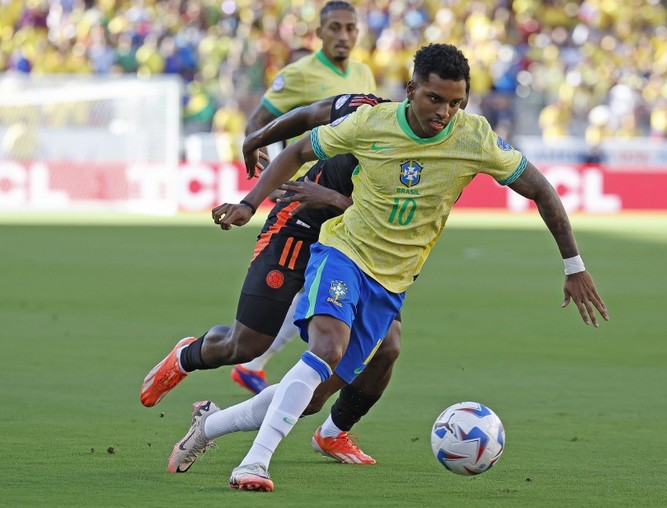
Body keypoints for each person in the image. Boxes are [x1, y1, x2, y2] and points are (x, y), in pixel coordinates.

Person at [203, 43, 609, 492]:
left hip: (391, 281)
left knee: (313, 397)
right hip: (343, 251)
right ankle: (254, 464)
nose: (444, 113)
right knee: (326, 348)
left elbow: (542, 190)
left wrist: (574, 266)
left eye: (456, 103)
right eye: (435, 98)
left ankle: (207, 426)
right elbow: (299, 150)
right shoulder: (372, 122)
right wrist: (249, 203)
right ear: (412, 89)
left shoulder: (473, 138)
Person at [141, 93, 396, 466]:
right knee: (246, 345)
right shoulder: (366, 109)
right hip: (300, 226)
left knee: (386, 348)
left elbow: (394, 218)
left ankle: (332, 432)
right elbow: (307, 117)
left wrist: (335, 199)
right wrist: (256, 148)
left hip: (357, 247)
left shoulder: (436, 154)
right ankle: (186, 356)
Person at [234, 0, 377, 393]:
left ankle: (257, 365)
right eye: (335, 28)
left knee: (321, 286)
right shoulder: (298, 73)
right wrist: (269, 169)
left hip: (343, 194)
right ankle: (258, 363)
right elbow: (258, 123)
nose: (343, 36)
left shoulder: (363, 72)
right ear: (320, 32)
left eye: (350, 28)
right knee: (307, 284)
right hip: (304, 193)